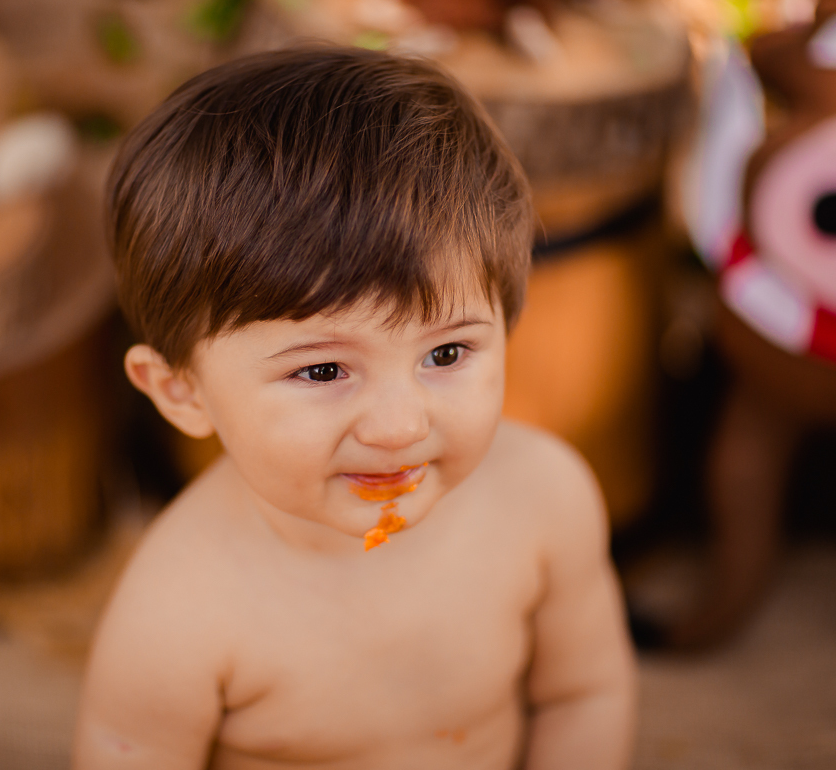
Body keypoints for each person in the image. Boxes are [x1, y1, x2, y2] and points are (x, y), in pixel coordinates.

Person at [74, 46, 636, 770]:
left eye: (445, 355)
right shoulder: (177, 612)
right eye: (323, 369)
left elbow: (582, 694)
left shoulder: (543, 499)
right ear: (182, 391)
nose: (400, 426)